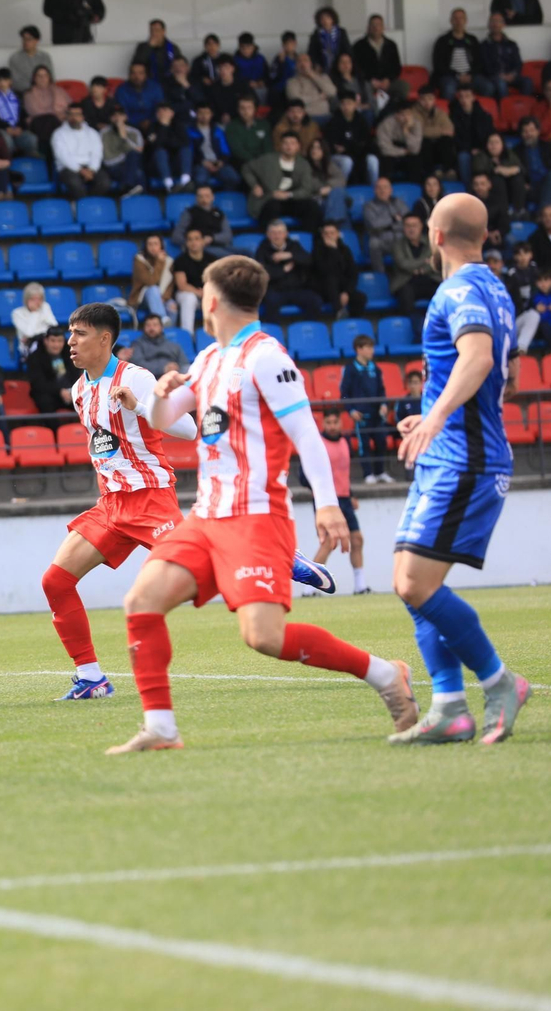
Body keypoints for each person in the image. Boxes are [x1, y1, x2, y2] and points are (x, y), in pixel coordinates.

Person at [107, 256, 419, 753]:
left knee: (264, 637)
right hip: (206, 516)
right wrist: (157, 397)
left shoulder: (267, 357)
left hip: (255, 516)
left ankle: (386, 674)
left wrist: (328, 503)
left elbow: (307, 435)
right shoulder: (210, 359)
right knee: (142, 600)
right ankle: (161, 728)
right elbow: (168, 419)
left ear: (209, 300)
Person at [389, 193, 528, 744]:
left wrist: (435, 419)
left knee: (415, 583)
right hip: (450, 451)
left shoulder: (462, 288)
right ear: (485, 235)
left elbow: (479, 359)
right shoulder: (493, 286)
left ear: (435, 235)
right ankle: (449, 705)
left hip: (465, 459)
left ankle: (499, 682)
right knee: (410, 582)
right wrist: (426, 419)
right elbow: (492, 375)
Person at [46, 303, 199, 699]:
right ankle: (91, 678)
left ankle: (282, 558)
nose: (70, 341)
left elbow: (188, 428)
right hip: (111, 505)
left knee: (203, 569)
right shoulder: (80, 389)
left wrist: (140, 406)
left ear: (104, 338)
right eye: (69, 332)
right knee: (56, 581)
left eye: (79, 333)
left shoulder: (137, 378)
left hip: (148, 497)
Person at [304, 408, 368, 595]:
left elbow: (343, 473)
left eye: (335, 422)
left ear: (340, 423)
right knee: (329, 542)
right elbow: (303, 475)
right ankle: (310, 588)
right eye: (329, 423)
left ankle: (360, 586)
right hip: (326, 501)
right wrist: (318, 493)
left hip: (345, 499)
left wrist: (351, 494)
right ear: (323, 424)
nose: (332, 426)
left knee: (357, 539)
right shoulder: (318, 444)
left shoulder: (345, 442)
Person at [341, 334, 391, 484]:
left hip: (377, 414)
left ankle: (380, 471)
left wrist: (383, 404)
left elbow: (382, 390)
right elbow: (344, 394)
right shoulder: (350, 369)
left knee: (381, 442)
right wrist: (351, 410)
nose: (372, 351)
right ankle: (368, 474)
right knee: (364, 445)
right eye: (368, 348)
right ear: (359, 349)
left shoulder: (375, 368)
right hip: (361, 416)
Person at [244, 132, 320, 228]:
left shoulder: (303, 164)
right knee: (272, 207)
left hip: (291, 199)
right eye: (285, 143)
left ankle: (306, 237)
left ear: (298, 146)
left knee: (312, 207)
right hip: (270, 198)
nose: (289, 146)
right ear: (280, 145)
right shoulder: (267, 159)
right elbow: (247, 169)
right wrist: (254, 185)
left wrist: (288, 195)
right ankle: (267, 238)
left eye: (292, 143)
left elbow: (306, 189)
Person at [256, 218, 323, 321]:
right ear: (268, 234)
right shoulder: (262, 249)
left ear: (286, 234)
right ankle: (273, 333)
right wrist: (284, 269)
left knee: (315, 300)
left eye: (280, 232)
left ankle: (307, 328)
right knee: (271, 302)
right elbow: (263, 273)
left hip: (297, 288)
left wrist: (290, 255)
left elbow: (308, 260)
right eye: (273, 233)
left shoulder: (293, 246)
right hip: (275, 290)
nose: (277, 236)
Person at [388, 213, 441, 316]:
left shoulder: (430, 242)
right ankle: (411, 326)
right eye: (408, 225)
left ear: (421, 226)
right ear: (403, 227)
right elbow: (403, 264)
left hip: (429, 278)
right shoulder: (397, 245)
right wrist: (424, 261)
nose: (411, 229)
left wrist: (422, 270)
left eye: (414, 225)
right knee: (405, 294)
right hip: (407, 281)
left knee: (441, 290)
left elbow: (434, 262)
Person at [51, 103, 107, 199]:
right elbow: (63, 156)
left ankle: (89, 204)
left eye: (77, 114)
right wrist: (80, 170)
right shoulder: (59, 133)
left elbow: (97, 153)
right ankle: (83, 208)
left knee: (105, 182)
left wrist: (92, 169)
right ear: (66, 116)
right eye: (70, 114)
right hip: (68, 168)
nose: (73, 117)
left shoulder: (92, 133)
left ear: (83, 116)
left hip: (90, 166)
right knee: (76, 184)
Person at [310, 220, 365, 318]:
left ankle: (354, 322)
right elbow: (324, 270)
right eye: (326, 233)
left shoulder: (345, 250)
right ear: (322, 235)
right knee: (331, 279)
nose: (329, 236)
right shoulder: (317, 250)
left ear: (338, 234)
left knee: (360, 298)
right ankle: (339, 313)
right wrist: (332, 250)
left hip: (342, 289)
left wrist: (347, 292)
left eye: (332, 233)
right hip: (323, 290)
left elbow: (353, 273)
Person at [0, 67, 40, 159]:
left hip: (18, 130)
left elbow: (24, 115)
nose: (2, 83)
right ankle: (9, 163)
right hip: (2, 130)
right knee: (6, 140)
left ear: (10, 81)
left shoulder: (19, 96)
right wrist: (6, 129)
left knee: (31, 139)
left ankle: (31, 164)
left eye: (5, 80)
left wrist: (21, 128)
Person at [477, 12, 531, 99]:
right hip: (494, 77)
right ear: (489, 25)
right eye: (493, 21)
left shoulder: (511, 44)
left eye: (499, 21)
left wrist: (513, 75)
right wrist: (500, 76)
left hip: (511, 76)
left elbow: (518, 63)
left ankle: (524, 108)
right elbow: (485, 66)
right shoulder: (483, 45)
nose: (496, 24)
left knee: (527, 81)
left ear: (503, 24)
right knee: (500, 83)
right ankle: (505, 110)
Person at [169, 229, 213, 333]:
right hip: (186, 295)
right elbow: (182, 285)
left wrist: (207, 293)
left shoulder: (212, 259)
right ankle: (188, 334)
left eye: (197, 239)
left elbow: (216, 281)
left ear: (203, 241)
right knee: (189, 298)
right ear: (186, 243)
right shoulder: (180, 260)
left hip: (207, 294)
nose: (194, 242)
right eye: (190, 239)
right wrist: (199, 293)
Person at [431, 9, 480, 101]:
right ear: (451, 21)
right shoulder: (442, 41)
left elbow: (479, 61)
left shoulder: (472, 40)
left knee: (488, 87)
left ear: (466, 21)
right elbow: (438, 65)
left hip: (470, 76)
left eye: (461, 18)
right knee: (449, 89)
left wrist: (470, 75)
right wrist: (457, 76)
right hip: (450, 76)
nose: (458, 21)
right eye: (455, 18)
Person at [26, 327, 74, 412]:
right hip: (48, 393)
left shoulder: (70, 354)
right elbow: (38, 383)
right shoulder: (35, 357)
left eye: (60, 341)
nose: (56, 345)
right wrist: (60, 391)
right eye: (53, 341)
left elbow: (75, 375)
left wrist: (72, 390)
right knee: (44, 401)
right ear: (46, 341)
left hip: (69, 391)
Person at [130, 233, 174, 323]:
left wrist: (164, 298)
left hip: (162, 297)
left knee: (172, 306)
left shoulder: (169, 261)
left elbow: (171, 284)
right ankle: (162, 318)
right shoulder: (139, 260)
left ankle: (169, 334)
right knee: (153, 289)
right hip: (142, 298)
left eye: (156, 244)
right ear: (145, 246)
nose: (153, 247)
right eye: (150, 244)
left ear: (161, 246)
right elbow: (151, 281)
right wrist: (159, 262)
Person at [11, 281, 59, 355]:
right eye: (33, 299)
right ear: (26, 299)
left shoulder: (45, 306)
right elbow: (29, 333)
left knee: (58, 345)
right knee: (42, 348)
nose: (37, 302)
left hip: (47, 345)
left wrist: (37, 335)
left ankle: (60, 366)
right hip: (28, 347)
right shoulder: (17, 313)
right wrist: (35, 313)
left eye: (40, 299)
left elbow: (54, 325)